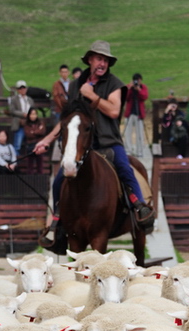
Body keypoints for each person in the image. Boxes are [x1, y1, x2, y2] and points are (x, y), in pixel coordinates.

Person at [34, 40, 155, 244]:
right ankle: (57, 219)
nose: (102, 63)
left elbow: (115, 110)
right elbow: (68, 119)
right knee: (59, 181)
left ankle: (139, 207)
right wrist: (46, 139)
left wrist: (92, 96)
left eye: (106, 60)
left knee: (124, 168)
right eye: (99, 59)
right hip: (84, 144)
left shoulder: (114, 84)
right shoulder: (75, 85)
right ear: (90, 60)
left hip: (109, 141)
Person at [123, 73, 148, 158]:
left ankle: (139, 151)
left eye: (139, 80)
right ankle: (128, 150)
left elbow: (145, 97)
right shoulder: (129, 87)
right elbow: (125, 97)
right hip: (129, 113)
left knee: (140, 134)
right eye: (136, 80)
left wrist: (138, 90)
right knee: (127, 133)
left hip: (139, 114)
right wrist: (130, 88)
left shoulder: (143, 87)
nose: (138, 82)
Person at [9, 80, 34, 156]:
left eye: (24, 88)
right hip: (19, 124)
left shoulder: (29, 100)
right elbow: (12, 110)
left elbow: (33, 110)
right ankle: (16, 162)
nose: (22, 90)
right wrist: (23, 114)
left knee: (30, 144)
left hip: (29, 124)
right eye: (20, 88)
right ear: (18, 90)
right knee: (17, 145)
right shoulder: (14, 99)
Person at [23, 108, 46, 174]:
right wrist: (37, 131)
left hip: (39, 146)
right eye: (31, 114)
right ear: (29, 115)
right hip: (30, 146)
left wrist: (33, 132)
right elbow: (28, 135)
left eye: (34, 114)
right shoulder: (26, 124)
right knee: (30, 165)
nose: (33, 116)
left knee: (40, 165)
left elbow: (43, 132)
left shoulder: (40, 122)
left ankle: (40, 180)